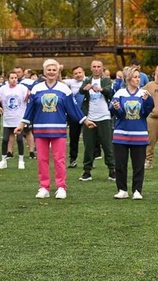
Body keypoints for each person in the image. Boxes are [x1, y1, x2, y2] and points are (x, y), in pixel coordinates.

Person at [17, 59, 95, 199]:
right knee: (42, 159)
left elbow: (73, 108)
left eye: (54, 70)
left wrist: (85, 121)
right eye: (49, 69)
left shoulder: (64, 89)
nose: (51, 72)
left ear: (58, 72)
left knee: (59, 159)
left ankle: (61, 187)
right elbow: (30, 109)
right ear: (44, 71)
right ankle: (44, 187)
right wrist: (22, 125)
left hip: (58, 129)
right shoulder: (37, 88)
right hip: (40, 130)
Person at [109, 66, 153, 200]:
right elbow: (115, 112)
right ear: (128, 79)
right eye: (135, 77)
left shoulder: (144, 93)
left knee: (138, 165)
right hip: (121, 134)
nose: (138, 79)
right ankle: (122, 189)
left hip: (139, 134)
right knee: (120, 164)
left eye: (138, 77)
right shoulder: (120, 93)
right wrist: (117, 108)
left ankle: (137, 190)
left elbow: (146, 112)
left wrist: (147, 102)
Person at [78, 60, 116, 182]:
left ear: (102, 68)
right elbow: (81, 91)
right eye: (94, 66)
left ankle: (112, 170)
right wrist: (85, 88)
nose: (96, 69)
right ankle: (87, 171)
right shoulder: (87, 80)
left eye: (98, 67)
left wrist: (100, 89)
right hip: (90, 117)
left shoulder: (105, 80)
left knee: (107, 145)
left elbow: (109, 91)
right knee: (89, 146)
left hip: (104, 117)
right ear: (91, 68)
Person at [0, 71, 29, 170]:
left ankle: (21, 160)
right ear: (7, 79)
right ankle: (3, 160)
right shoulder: (3, 89)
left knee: (19, 140)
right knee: (5, 140)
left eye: (15, 78)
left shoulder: (22, 88)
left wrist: (30, 95)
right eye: (12, 78)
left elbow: (29, 97)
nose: (14, 80)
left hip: (19, 120)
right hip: (7, 119)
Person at [62, 65, 86, 168]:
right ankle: (73, 159)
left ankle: (90, 159)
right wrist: (59, 71)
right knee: (73, 137)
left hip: (87, 114)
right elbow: (59, 82)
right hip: (75, 114)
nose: (78, 75)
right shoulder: (70, 82)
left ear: (83, 72)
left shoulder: (89, 81)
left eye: (80, 72)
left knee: (90, 139)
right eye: (76, 73)